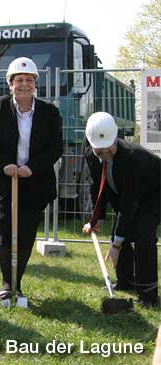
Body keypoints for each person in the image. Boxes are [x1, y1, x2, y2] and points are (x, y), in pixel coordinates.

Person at [0, 57, 63, 306]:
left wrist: (31, 168)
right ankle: (7, 283)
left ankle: (17, 283)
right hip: (2, 181)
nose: (24, 85)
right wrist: (5, 164)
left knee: (25, 233)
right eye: (19, 80)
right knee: (3, 228)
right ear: (10, 84)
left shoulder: (50, 112)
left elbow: (55, 148)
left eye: (29, 80)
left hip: (35, 181)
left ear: (35, 84)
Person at [81, 112, 160, 306]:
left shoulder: (132, 158)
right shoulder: (90, 153)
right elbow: (96, 184)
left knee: (143, 234)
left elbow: (130, 203)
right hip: (127, 196)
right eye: (100, 151)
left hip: (155, 194)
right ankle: (126, 282)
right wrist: (96, 218)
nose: (105, 154)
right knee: (119, 232)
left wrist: (116, 245)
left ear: (116, 138)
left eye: (109, 148)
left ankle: (148, 294)